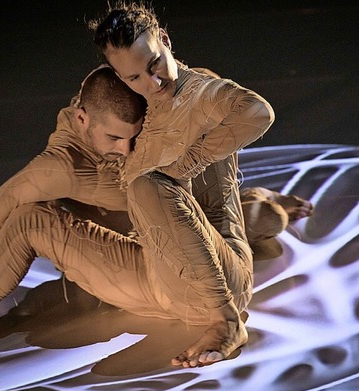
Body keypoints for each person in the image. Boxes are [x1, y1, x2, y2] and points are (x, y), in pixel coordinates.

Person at [0, 64, 310, 364]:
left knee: (251, 210)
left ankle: (258, 219)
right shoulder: (59, 167)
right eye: (115, 139)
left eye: (133, 137)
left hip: (218, 271)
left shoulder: (160, 114)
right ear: (82, 119)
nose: (127, 150)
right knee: (30, 218)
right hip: (159, 277)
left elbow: (235, 114)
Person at [87, 1, 314, 368]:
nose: (153, 82)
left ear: (164, 40)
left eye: (154, 64)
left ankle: (227, 323)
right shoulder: (141, 105)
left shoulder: (200, 90)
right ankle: (256, 202)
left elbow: (259, 113)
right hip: (166, 266)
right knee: (37, 222)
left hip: (221, 282)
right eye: (133, 78)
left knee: (151, 187)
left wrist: (185, 165)